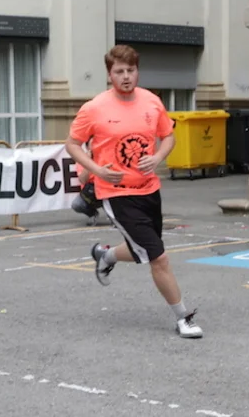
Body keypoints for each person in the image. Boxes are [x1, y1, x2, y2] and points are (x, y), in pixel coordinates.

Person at [64, 44, 202, 338]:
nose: (126, 76)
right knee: (158, 257)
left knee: (144, 248)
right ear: (109, 75)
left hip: (149, 189)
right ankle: (183, 318)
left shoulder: (152, 102)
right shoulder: (94, 108)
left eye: (131, 70)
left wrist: (158, 157)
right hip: (116, 193)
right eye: (119, 71)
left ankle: (106, 255)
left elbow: (168, 136)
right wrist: (97, 170)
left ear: (138, 72)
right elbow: (72, 144)